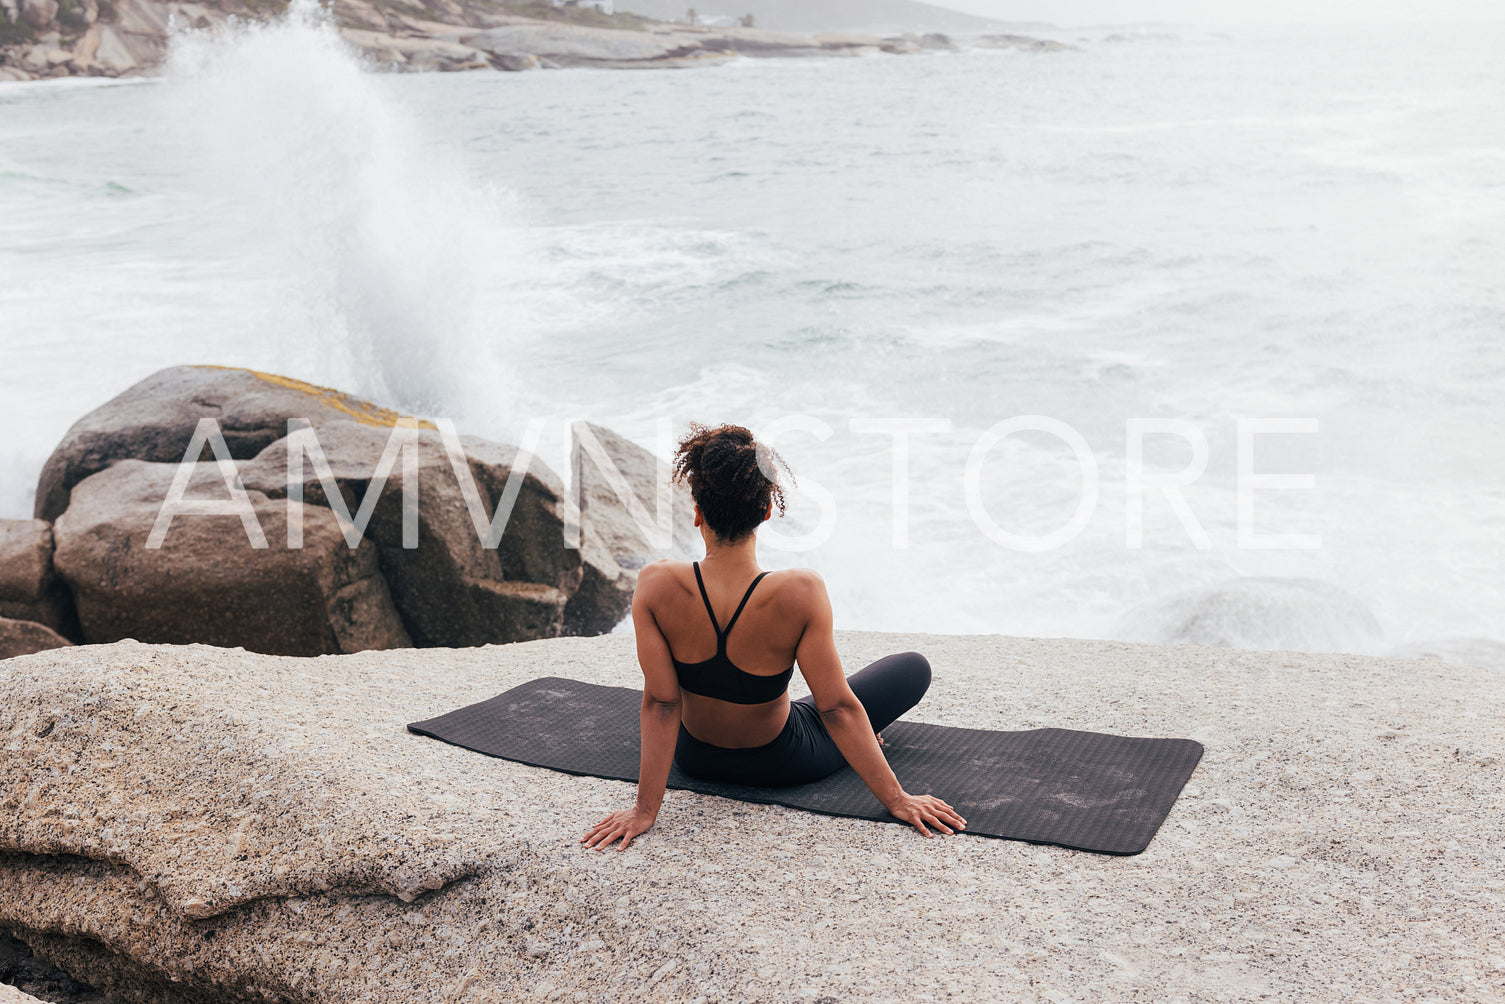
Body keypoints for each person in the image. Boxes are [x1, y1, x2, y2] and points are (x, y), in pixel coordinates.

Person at [581, 422, 966, 851]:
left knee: (815, 710)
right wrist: (897, 799)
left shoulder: (655, 584)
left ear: (696, 511)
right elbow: (836, 707)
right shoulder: (799, 591)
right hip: (782, 760)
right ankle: (856, 743)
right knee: (912, 668)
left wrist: (645, 811)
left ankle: (851, 739)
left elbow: (661, 703)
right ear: (766, 511)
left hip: (694, 757)